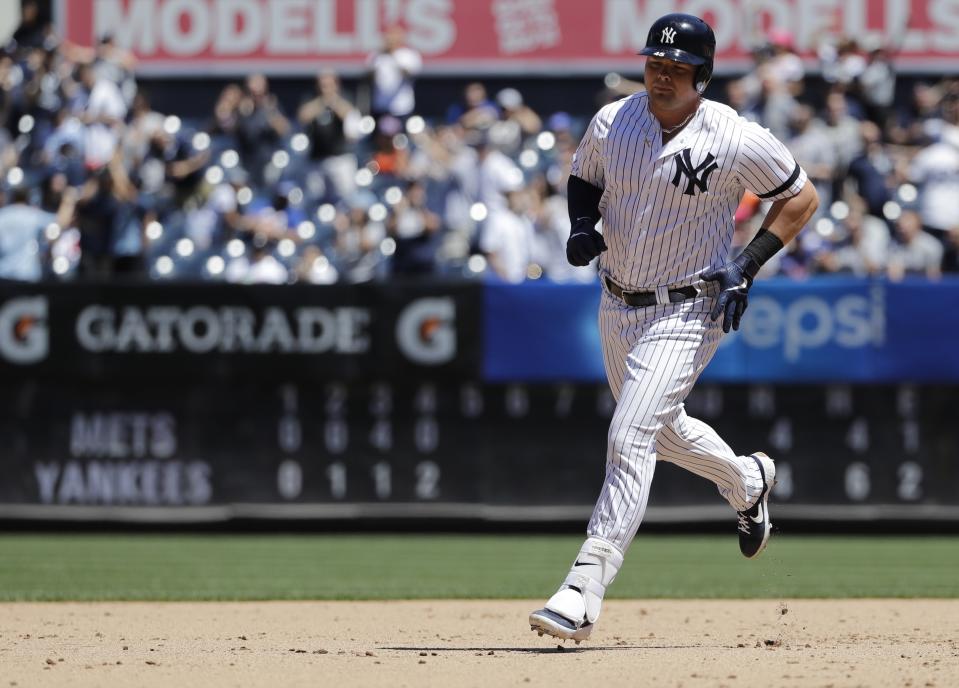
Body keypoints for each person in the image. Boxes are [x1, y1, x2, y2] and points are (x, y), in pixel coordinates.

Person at [529, 13, 819, 644]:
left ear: (702, 76)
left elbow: (800, 197)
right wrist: (583, 227)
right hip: (617, 302)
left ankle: (585, 584)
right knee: (662, 432)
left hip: (690, 306)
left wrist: (747, 264)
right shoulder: (615, 119)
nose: (661, 76)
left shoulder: (736, 136)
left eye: (676, 68)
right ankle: (748, 481)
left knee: (630, 432)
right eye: (655, 64)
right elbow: (585, 176)